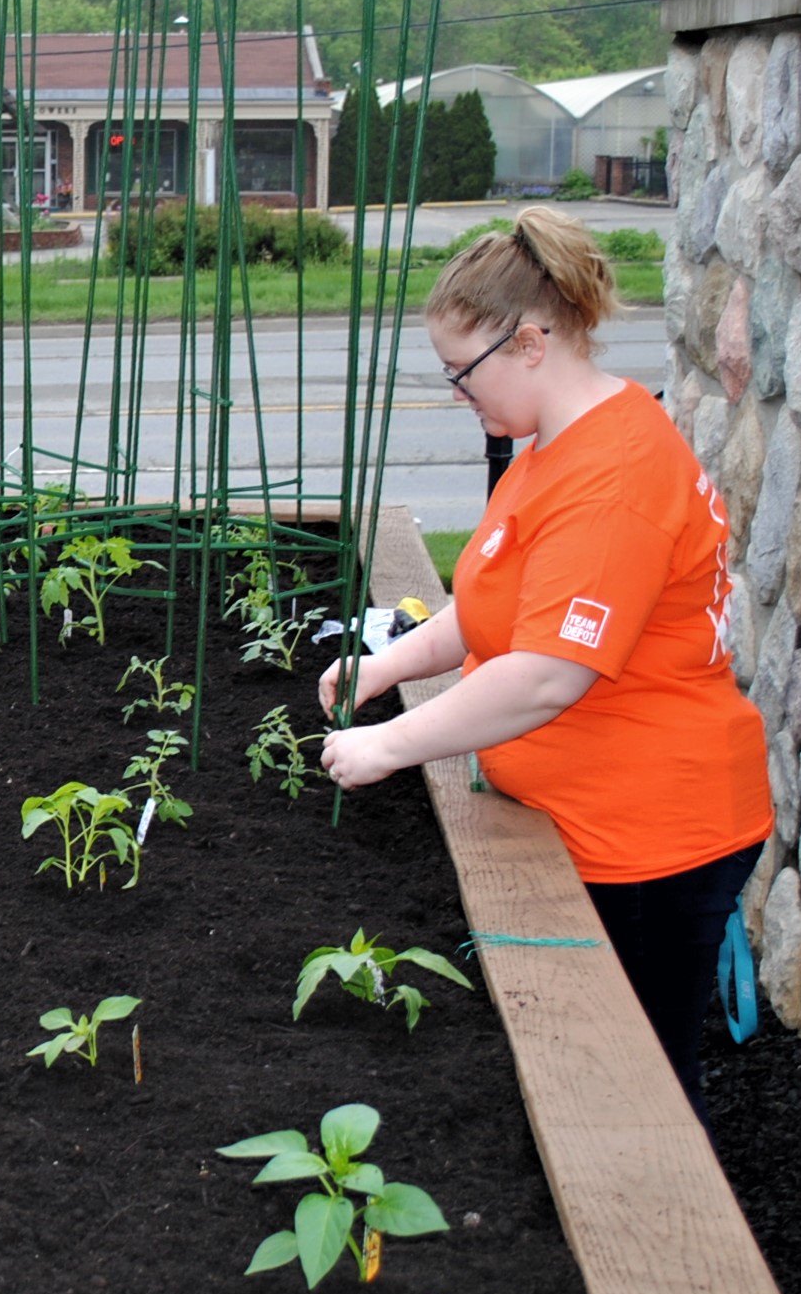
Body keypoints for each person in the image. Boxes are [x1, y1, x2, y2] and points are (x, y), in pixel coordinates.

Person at [316, 207, 769, 1123]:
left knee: (635, 1084)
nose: (457, 393)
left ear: (530, 342)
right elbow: (491, 607)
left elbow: (548, 673)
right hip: (595, 817)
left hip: (652, 838)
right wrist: (387, 667)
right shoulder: (552, 447)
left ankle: (660, 1240)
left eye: (463, 372)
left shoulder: (617, 476)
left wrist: (393, 745)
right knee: (599, 1065)